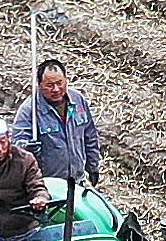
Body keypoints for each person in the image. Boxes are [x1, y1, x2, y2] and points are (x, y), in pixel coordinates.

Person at [12, 57, 101, 190]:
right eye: (49, 85)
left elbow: (90, 136)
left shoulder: (78, 101)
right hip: (48, 186)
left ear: (66, 80)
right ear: (39, 84)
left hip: (77, 182)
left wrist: (93, 167)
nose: (56, 89)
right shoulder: (29, 111)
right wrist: (28, 148)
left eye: (60, 83)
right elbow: (17, 148)